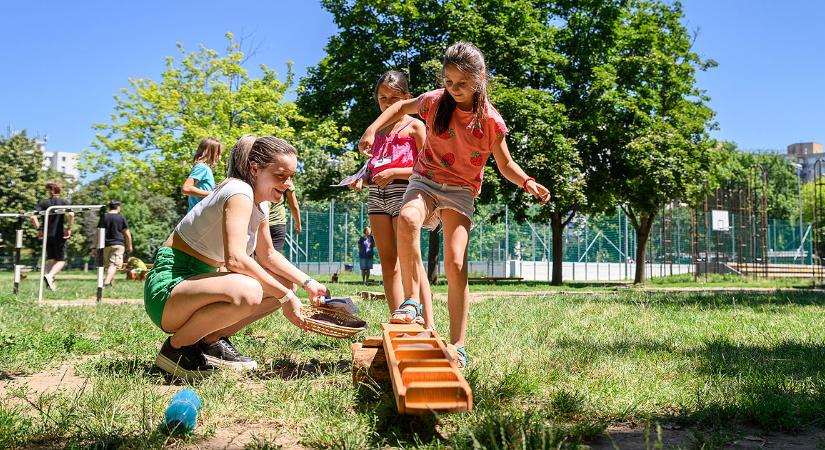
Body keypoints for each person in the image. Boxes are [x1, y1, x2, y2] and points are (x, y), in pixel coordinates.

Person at [358, 42, 550, 367]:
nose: (454, 89)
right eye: (448, 81)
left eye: (461, 83)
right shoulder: (435, 102)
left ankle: (458, 344)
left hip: (460, 189)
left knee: (456, 262)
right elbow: (401, 107)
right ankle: (411, 302)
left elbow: (505, 164)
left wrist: (527, 181)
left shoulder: (490, 120)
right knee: (407, 218)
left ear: (480, 78)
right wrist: (372, 128)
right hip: (426, 179)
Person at [144, 135, 330, 379]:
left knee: (285, 283)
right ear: (255, 168)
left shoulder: (260, 203)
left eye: (291, 177)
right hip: (168, 289)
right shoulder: (239, 191)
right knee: (251, 290)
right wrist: (286, 298)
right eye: (280, 175)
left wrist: (308, 284)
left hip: (197, 284)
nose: (287, 183)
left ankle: (208, 342)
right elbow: (235, 260)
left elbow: (269, 255)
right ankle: (177, 350)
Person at [350, 70, 433, 324]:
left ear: (406, 97)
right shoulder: (376, 130)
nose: (386, 103)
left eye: (393, 98)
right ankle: (399, 316)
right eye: (382, 98)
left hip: (405, 194)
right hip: (377, 196)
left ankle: (427, 320)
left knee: (412, 258)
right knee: (387, 261)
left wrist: (395, 171)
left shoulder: (415, 126)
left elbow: (429, 168)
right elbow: (374, 164)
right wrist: (362, 178)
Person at [31, 181, 74, 291]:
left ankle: (50, 284)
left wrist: (39, 230)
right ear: (59, 190)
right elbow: (71, 214)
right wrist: (69, 228)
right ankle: (49, 276)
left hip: (47, 235)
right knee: (61, 261)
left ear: (49, 191)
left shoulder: (43, 203)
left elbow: (33, 217)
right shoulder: (64, 202)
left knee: (50, 259)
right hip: (59, 235)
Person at [182, 137, 223, 212]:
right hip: (196, 217)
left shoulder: (205, 169)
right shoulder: (202, 167)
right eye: (218, 152)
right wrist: (212, 194)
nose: (219, 156)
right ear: (210, 152)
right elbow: (186, 188)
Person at [100, 200, 133, 288]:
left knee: (109, 266)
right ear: (118, 207)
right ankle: (106, 283)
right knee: (114, 265)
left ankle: (111, 285)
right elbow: (127, 234)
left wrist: (94, 246)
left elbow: (98, 232)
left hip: (105, 244)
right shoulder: (121, 217)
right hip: (118, 244)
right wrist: (130, 246)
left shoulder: (104, 217)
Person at [268, 183, 301, 255]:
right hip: (277, 224)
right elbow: (294, 205)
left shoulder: (261, 176)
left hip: (259, 222)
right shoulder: (286, 180)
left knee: (258, 258)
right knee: (273, 257)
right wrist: (298, 223)